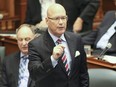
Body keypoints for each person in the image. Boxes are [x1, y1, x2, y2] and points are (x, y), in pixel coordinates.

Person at [28, 4, 89, 87]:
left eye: (63, 18)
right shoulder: (36, 45)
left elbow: (83, 73)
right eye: (56, 19)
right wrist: (52, 59)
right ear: (47, 21)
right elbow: (34, 75)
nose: (61, 22)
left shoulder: (76, 39)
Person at [25, 0, 99, 34]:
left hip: (67, 34)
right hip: (41, 37)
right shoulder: (32, 2)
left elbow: (94, 2)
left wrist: (80, 19)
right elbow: (28, 23)